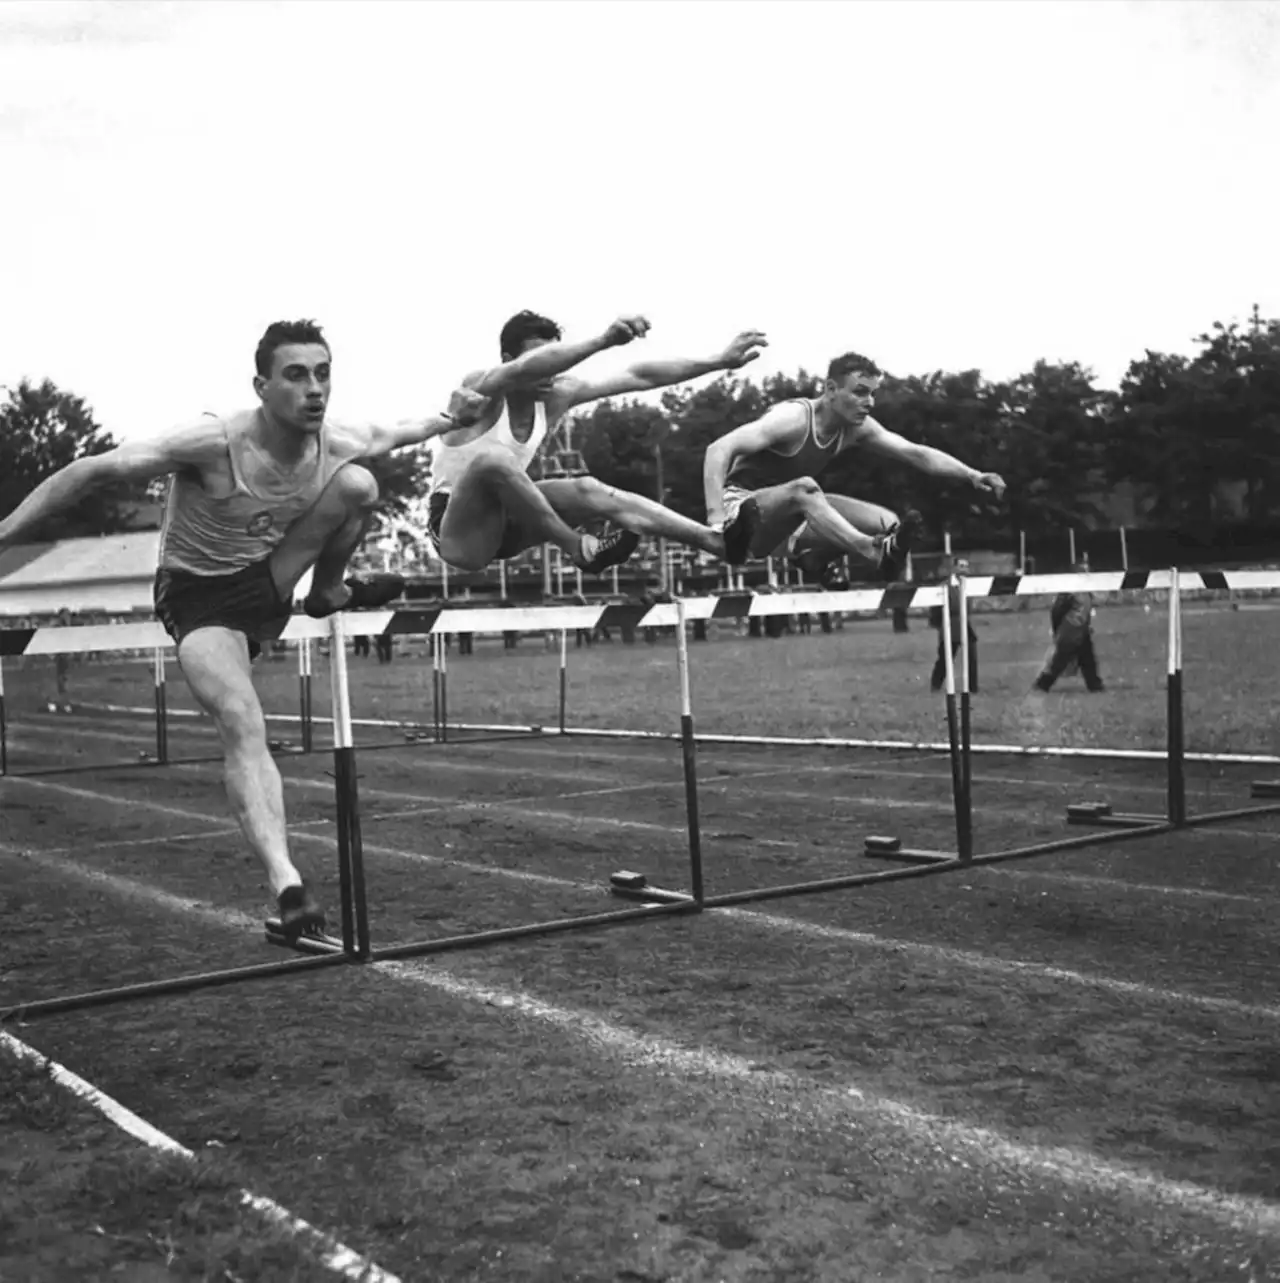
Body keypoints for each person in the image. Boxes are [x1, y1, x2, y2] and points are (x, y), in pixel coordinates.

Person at [0, 318, 486, 939]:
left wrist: (451, 417)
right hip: (200, 598)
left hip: (272, 581)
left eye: (323, 373)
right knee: (242, 718)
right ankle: (288, 885)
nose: (314, 389)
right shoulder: (212, 443)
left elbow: (404, 429)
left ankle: (329, 590)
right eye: (296, 375)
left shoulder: (336, 440)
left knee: (360, 483)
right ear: (261, 386)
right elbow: (90, 472)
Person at [426, 311, 769, 574]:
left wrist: (719, 362)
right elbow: (522, 371)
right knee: (493, 461)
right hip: (457, 533)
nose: (550, 374)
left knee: (587, 488)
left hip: (509, 522)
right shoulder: (481, 390)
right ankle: (578, 549)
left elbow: (640, 377)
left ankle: (716, 542)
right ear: (506, 359)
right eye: (543, 362)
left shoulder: (558, 395)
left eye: (556, 360)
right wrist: (602, 341)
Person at [703, 352, 1007, 587]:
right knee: (805, 489)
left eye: (873, 393)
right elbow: (718, 449)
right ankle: (869, 551)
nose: (869, 402)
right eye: (860, 392)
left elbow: (915, 453)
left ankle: (814, 559)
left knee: (887, 522)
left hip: (792, 517)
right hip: (742, 514)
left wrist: (972, 474)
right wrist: (716, 520)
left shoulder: (856, 428)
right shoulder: (792, 418)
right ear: (831, 389)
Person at [1035, 566, 1105, 692]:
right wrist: (1057, 629)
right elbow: (1057, 611)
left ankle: (1095, 685)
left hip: (1080, 629)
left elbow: (1086, 611)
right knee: (1060, 660)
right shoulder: (1069, 593)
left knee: (1087, 658)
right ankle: (1043, 684)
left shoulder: (1085, 592)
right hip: (1071, 629)